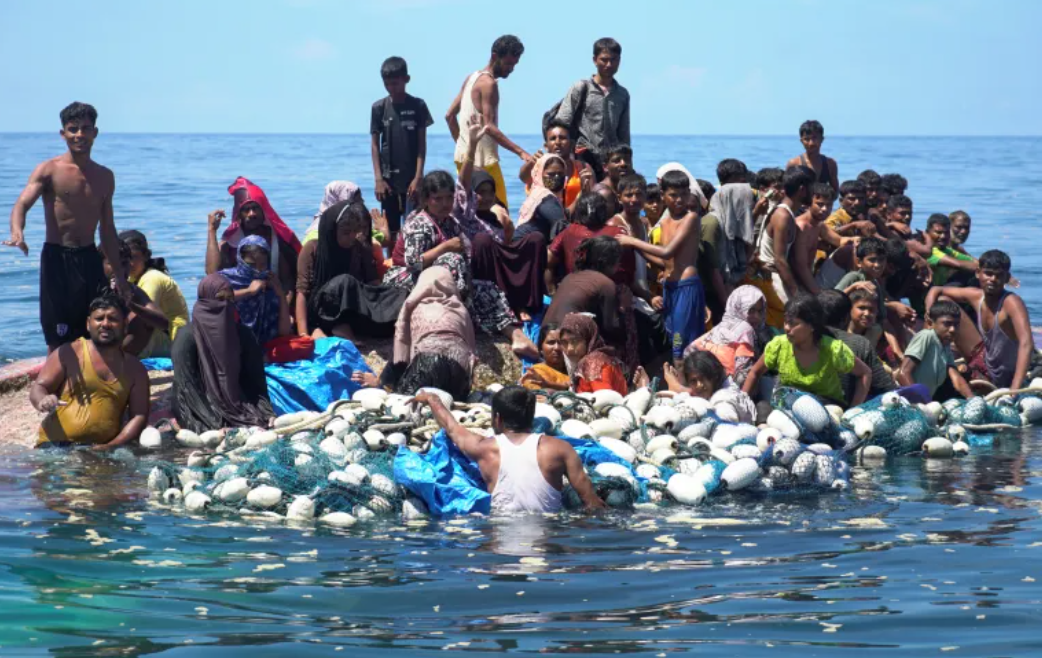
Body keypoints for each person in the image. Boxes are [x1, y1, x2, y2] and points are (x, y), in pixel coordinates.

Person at [385, 116, 538, 359]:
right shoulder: (419, 223)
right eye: (438, 199)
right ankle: (464, 325)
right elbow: (412, 262)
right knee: (453, 262)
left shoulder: (451, 220)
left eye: (448, 198)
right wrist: (445, 248)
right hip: (411, 278)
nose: (446, 203)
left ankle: (515, 335)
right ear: (426, 199)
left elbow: (462, 186)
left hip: (447, 281)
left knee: (486, 288)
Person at [5, 102, 132, 351]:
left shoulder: (105, 176)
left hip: (89, 258)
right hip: (57, 258)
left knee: (99, 323)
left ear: (95, 132)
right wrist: (17, 232)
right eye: (73, 129)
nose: (79, 135)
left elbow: (107, 229)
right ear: (63, 134)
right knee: (58, 332)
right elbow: (21, 203)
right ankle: (56, 382)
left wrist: (118, 274)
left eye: (85, 129)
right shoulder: (49, 170)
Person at [412, 385, 605, 514]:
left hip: (500, 533)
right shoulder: (560, 449)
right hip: (550, 536)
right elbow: (592, 503)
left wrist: (432, 399)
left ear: (497, 419)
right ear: (532, 417)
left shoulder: (484, 448)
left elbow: (451, 427)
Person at [33, 295, 149, 449]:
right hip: (56, 447)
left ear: (125, 325)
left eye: (113, 319)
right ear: (88, 324)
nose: (105, 324)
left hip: (103, 451)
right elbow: (39, 387)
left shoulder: (135, 369)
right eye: (99, 318)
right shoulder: (70, 353)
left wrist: (111, 446)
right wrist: (43, 400)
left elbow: (139, 416)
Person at [617, 170, 705, 367]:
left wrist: (632, 241)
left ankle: (686, 389)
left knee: (682, 344)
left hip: (686, 285)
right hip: (670, 288)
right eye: (673, 195)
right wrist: (634, 246)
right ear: (663, 195)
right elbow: (663, 262)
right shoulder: (664, 222)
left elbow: (666, 252)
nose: (679, 200)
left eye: (684, 194)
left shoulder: (691, 218)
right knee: (672, 337)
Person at [353, 266, 476, 400]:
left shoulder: (415, 307)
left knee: (404, 402)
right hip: (459, 372)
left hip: (427, 365)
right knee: (451, 402)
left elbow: (401, 356)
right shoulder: (461, 310)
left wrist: (381, 383)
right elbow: (472, 354)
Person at [171, 274, 274, 433]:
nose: (225, 304)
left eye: (229, 298)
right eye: (219, 298)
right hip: (197, 406)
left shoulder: (243, 335)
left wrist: (268, 414)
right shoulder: (186, 338)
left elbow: (256, 383)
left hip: (236, 404)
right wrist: (214, 425)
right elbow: (187, 387)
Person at [926, 250, 1036, 390]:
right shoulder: (976, 296)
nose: (993, 279)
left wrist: (1014, 390)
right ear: (978, 273)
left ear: (1007, 278)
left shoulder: (1012, 303)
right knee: (943, 303)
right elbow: (936, 290)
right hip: (983, 361)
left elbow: (1026, 343)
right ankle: (929, 360)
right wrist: (929, 315)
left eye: (999, 275)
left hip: (1006, 376)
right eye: (988, 273)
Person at [296, 200, 407, 339]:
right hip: (322, 310)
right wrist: (303, 333)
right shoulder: (312, 249)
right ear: (332, 230)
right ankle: (332, 330)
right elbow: (302, 292)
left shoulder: (360, 247)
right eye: (346, 232)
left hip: (352, 309)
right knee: (345, 281)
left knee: (398, 292)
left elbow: (372, 284)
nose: (352, 236)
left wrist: (382, 302)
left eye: (355, 231)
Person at [446, 35, 532, 209]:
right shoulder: (489, 84)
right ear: (494, 56)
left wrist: (464, 145)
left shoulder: (472, 77)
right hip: (484, 163)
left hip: (464, 160)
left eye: (514, 65)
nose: (511, 69)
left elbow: (449, 116)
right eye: (508, 64)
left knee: (472, 214)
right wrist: (521, 153)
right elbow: (489, 127)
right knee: (501, 214)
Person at [742, 296, 872, 407]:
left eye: (793, 324)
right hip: (788, 408)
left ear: (811, 326)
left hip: (827, 409)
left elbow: (865, 373)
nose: (787, 328)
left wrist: (854, 410)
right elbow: (755, 372)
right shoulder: (779, 345)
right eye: (786, 322)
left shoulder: (832, 349)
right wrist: (743, 402)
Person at [370, 57, 434, 246]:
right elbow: (375, 145)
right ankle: (393, 265)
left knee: (413, 226)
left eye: (395, 83)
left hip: (412, 179)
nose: (391, 88)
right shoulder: (378, 108)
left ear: (406, 79)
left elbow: (422, 146)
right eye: (387, 84)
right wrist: (379, 179)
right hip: (387, 181)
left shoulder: (418, 106)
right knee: (390, 231)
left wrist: (418, 177)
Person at [207, 177, 301, 301]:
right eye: (246, 209)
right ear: (239, 213)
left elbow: (288, 281)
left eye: (255, 208)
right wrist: (212, 231)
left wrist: (285, 308)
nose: (252, 214)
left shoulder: (277, 242)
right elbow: (212, 275)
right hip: (239, 304)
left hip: (272, 306)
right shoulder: (230, 244)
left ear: (264, 211)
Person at [552, 38, 630, 179]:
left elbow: (624, 135)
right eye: (604, 60)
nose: (609, 64)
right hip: (581, 158)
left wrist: (627, 165)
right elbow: (562, 123)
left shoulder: (622, 94)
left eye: (614, 60)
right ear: (595, 60)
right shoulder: (581, 88)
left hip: (610, 163)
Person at [543, 236, 627, 349]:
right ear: (611, 262)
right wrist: (623, 308)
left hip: (545, 342)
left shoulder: (570, 277)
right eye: (619, 261)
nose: (620, 265)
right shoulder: (606, 283)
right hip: (567, 348)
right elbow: (611, 328)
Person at [754, 166, 812, 328]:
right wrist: (796, 293)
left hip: (775, 274)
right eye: (811, 188)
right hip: (770, 276)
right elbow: (779, 260)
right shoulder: (783, 215)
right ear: (802, 189)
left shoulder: (787, 213)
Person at [118, 230, 189, 358]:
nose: (130, 263)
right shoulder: (132, 278)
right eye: (124, 259)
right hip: (162, 338)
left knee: (138, 322)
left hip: (173, 342)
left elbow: (144, 320)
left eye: (133, 257)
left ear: (145, 255)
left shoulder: (152, 277)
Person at [817, 289, 896, 401]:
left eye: (872, 310)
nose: (867, 313)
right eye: (861, 308)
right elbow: (885, 389)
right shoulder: (860, 344)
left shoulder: (793, 338)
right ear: (847, 317)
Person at [683, 285, 769, 387]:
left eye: (759, 311)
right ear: (738, 307)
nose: (757, 316)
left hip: (701, 386)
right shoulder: (746, 331)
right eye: (751, 310)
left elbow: (688, 351)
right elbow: (742, 376)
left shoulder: (721, 326)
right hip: (723, 389)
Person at [100, 239, 172, 356]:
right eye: (112, 264)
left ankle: (121, 361)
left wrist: (130, 304)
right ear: (100, 264)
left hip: (120, 351)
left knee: (143, 319)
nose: (120, 270)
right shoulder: (92, 287)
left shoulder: (132, 290)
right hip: (90, 345)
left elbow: (164, 323)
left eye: (124, 264)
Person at [218, 235, 293, 346]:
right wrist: (248, 291)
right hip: (233, 343)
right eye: (251, 264)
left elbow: (284, 332)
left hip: (267, 345)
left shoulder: (271, 281)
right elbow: (214, 299)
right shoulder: (226, 278)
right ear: (240, 259)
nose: (257, 270)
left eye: (262, 265)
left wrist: (280, 295)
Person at [549, 193, 635, 288]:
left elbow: (548, 259)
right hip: (612, 292)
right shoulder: (619, 233)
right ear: (604, 211)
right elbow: (630, 270)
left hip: (576, 289)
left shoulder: (569, 231)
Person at [897, 300, 973, 401]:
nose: (952, 329)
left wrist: (972, 399)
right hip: (908, 401)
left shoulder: (945, 346)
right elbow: (903, 373)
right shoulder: (926, 336)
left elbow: (956, 378)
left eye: (956, 324)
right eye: (947, 324)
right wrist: (921, 402)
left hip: (926, 403)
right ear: (930, 323)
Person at [519, 120, 595, 211]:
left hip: (576, 222)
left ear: (571, 144)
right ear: (546, 146)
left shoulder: (583, 168)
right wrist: (531, 163)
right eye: (553, 138)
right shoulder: (538, 167)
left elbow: (592, 198)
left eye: (562, 138)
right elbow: (523, 178)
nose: (557, 142)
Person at [664, 351, 756, 424]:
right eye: (693, 381)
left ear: (714, 376)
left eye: (703, 378)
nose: (699, 385)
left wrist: (677, 389)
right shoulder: (713, 392)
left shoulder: (724, 400)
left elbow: (724, 427)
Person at [558, 313, 628, 395]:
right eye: (564, 343)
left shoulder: (594, 363)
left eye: (575, 341)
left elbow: (604, 400)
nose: (569, 349)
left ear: (588, 339)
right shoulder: (600, 358)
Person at [514, 153, 569, 241]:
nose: (556, 177)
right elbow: (562, 225)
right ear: (540, 174)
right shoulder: (545, 198)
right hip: (527, 249)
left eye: (560, 173)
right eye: (551, 174)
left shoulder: (537, 193)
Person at [924, 213, 977, 286]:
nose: (943, 236)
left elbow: (973, 261)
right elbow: (957, 264)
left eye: (946, 233)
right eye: (938, 232)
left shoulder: (947, 250)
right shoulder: (929, 251)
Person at [786, 120, 839, 191]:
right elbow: (787, 191)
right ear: (801, 141)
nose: (811, 143)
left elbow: (835, 191)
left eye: (814, 138)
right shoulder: (794, 163)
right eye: (807, 139)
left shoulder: (830, 164)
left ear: (822, 139)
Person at [520, 323, 570, 392]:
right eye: (551, 342)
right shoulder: (535, 373)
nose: (557, 348)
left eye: (561, 342)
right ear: (541, 348)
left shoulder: (573, 371)